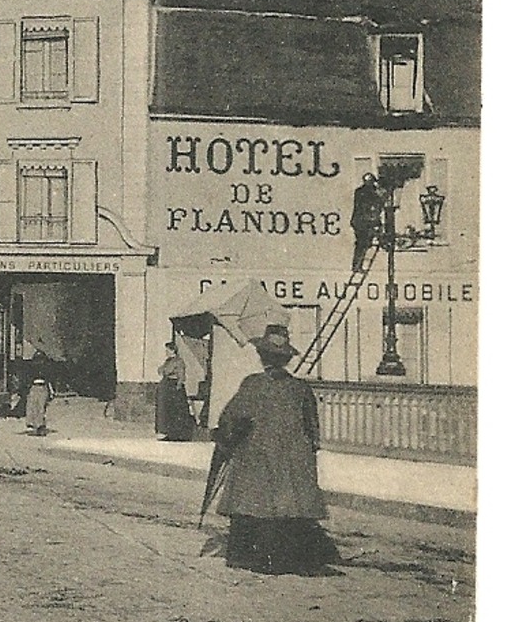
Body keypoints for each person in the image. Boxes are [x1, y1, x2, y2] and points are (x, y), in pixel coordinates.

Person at [213, 325, 337, 574]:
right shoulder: (300, 388)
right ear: (287, 359)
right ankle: (290, 556)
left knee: (251, 499)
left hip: (257, 461)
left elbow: (232, 419)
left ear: (261, 356)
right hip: (292, 462)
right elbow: (312, 430)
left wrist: (223, 437)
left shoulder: (252, 384)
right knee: (288, 506)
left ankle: (247, 555)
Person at [155, 341, 196, 442]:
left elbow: (180, 375)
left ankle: (178, 434)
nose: (166, 352)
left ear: (173, 350)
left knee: (176, 411)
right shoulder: (168, 361)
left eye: (168, 350)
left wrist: (178, 386)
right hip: (167, 387)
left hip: (175, 389)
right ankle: (169, 432)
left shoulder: (178, 361)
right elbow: (160, 370)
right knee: (167, 411)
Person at [351, 173, 383, 269]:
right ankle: (357, 265)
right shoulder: (369, 193)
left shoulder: (359, 191)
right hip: (363, 221)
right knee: (362, 244)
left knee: (362, 244)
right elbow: (377, 203)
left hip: (359, 221)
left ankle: (357, 265)